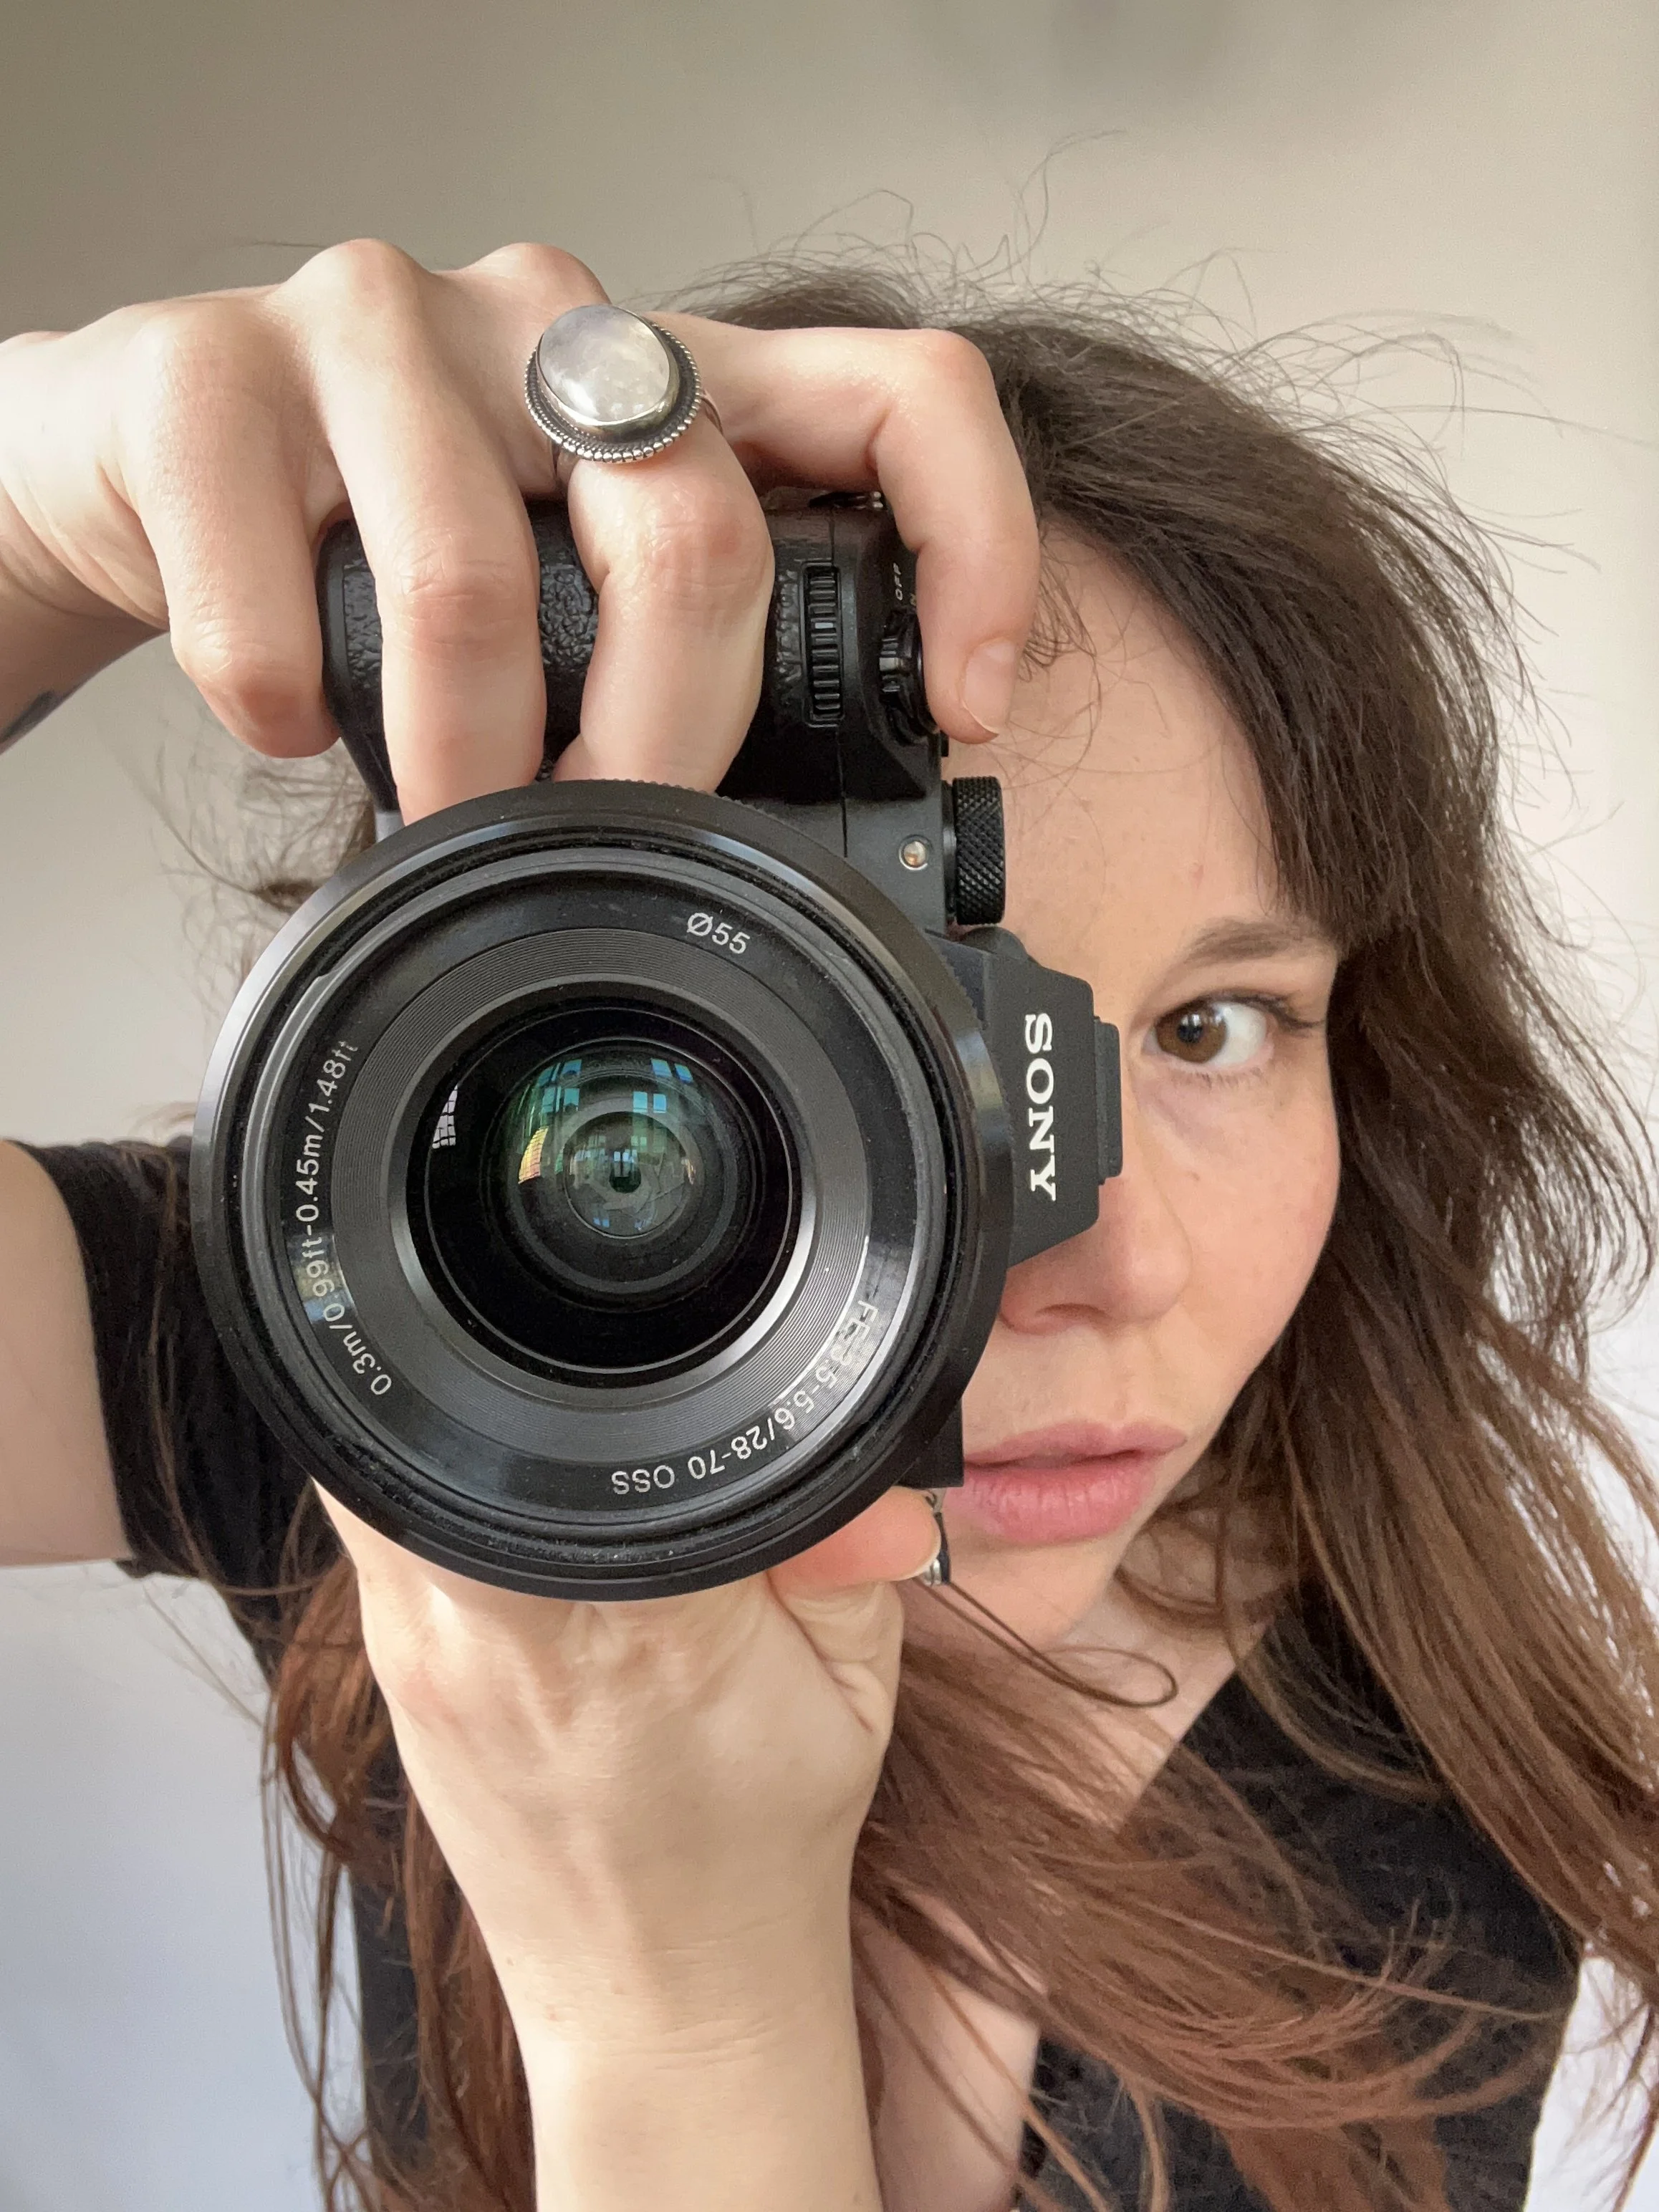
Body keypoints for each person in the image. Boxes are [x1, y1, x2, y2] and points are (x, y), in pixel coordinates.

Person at [0, 240, 1655, 2212]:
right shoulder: (399, 1393)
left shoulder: (1439, 1764)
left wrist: (676, 2010)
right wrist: (29, 516)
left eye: (1216, 1026)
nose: (1099, 1260)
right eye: (898, 1054)